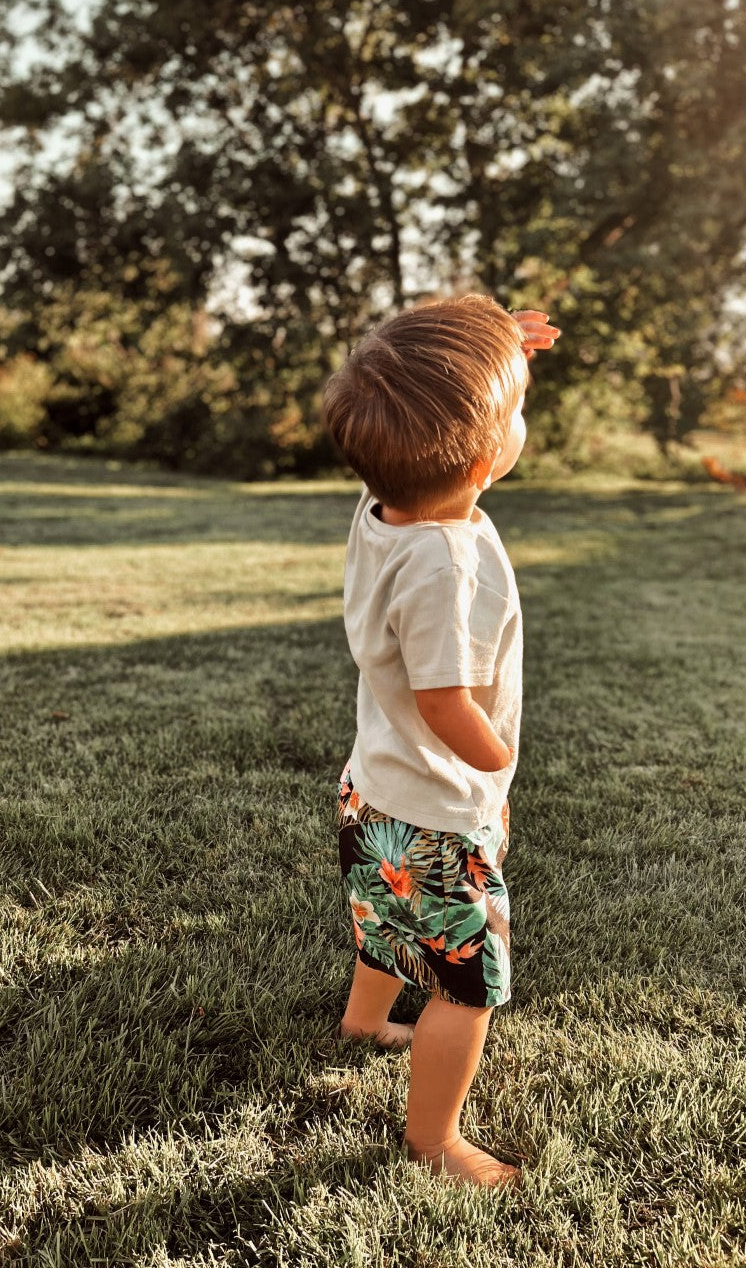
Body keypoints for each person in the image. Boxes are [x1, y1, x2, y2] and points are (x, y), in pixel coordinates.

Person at [322, 294, 559, 1189]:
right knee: (468, 985)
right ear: (485, 457)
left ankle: (361, 1022)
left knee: (383, 923)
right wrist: (494, 755)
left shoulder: (384, 505)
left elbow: (418, 393)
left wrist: (504, 346)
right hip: (438, 813)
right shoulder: (446, 563)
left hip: (373, 789)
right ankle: (436, 1140)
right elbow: (442, 694)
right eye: (516, 410)